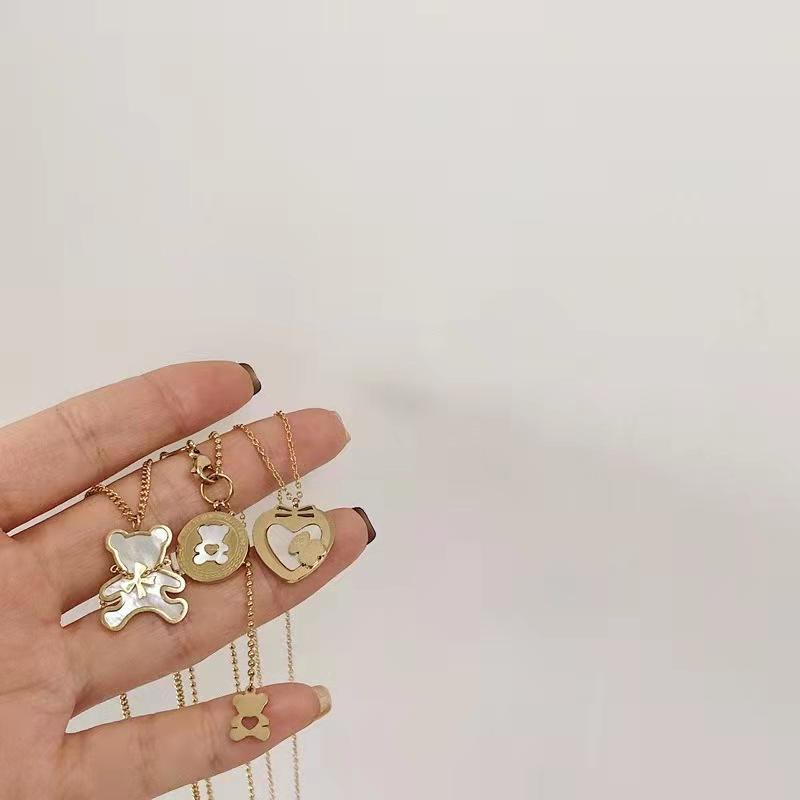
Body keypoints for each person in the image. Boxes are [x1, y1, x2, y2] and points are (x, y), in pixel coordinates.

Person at [0, 360, 375, 799]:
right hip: (139, 594)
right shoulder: (137, 558)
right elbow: (129, 588)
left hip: (160, 590)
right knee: (134, 610)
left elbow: (171, 586)